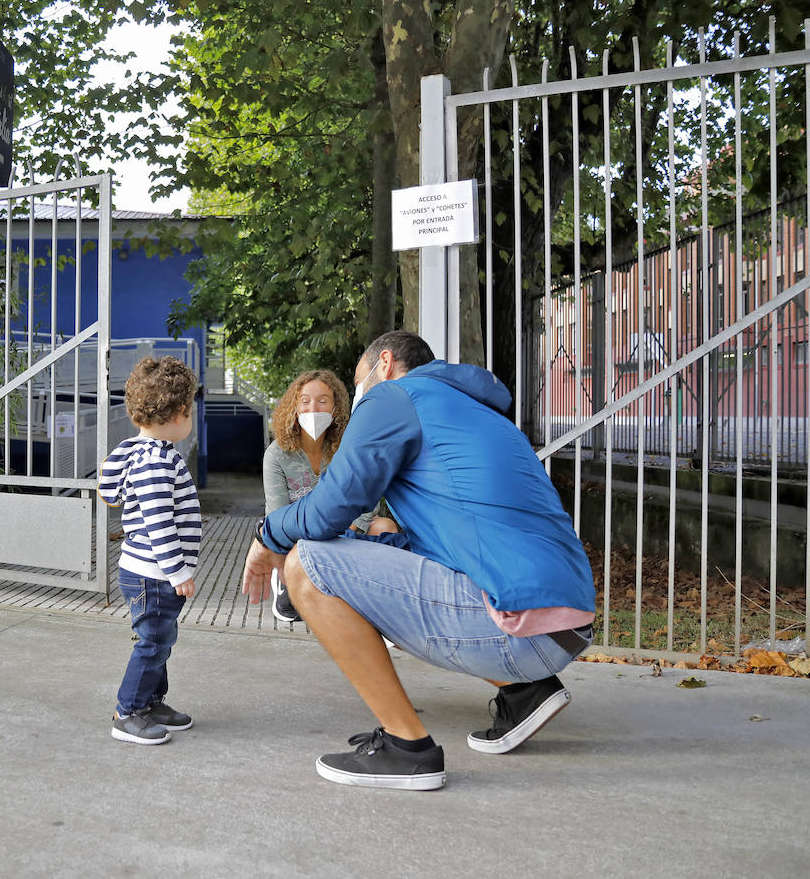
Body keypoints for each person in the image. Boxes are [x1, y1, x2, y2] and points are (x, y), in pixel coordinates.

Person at [241, 331, 595, 790]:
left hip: (518, 626)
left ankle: (408, 748)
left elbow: (330, 508)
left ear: (383, 363)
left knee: (307, 564)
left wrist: (266, 535)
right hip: (565, 626)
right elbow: (448, 539)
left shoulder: (394, 397)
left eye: (358, 380)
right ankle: (525, 693)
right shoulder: (469, 407)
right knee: (374, 554)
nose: (361, 393)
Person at [99, 355, 202, 745]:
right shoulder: (158, 462)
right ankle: (127, 712)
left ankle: (151, 703)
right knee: (154, 641)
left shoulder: (135, 451)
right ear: (179, 412)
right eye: (190, 410)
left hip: (142, 569)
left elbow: (110, 492)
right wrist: (178, 573)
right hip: (155, 573)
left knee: (160, 637)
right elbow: (160, 523)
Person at [262, 370, 398, 622]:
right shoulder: (276, 455)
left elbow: (368, 496)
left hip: (345, 531)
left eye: (323, 400)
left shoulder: (347, 447)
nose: (313, 407)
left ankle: (375, 598)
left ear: (336, 409)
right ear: (294, 408)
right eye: (305, 400)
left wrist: (354, 526)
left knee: (384, 526)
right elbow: (277, 515)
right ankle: (284, 579)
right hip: (298, 537)